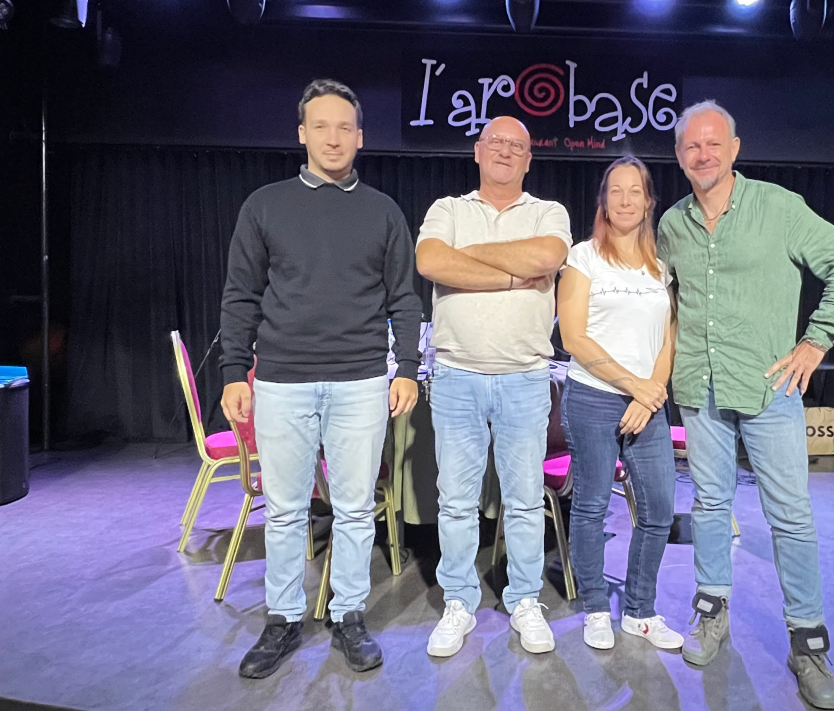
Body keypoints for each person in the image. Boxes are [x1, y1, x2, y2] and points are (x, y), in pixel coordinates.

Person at [656, 100, 834, 709]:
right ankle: (711, 613)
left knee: (791, 517)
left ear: (734, 148)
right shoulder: (672, 224)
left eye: (713, 143)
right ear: (679, 156)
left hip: (769, 388)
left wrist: (816, 340)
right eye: (691, 145)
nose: (703, 154)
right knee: (709, 505)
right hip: (700, 388)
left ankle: (808, 645)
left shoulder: (778, 207)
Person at [218, 78, 421, 679]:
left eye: (345, 127)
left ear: (360, 137)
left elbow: (404, 298)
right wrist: (234, 371)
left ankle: (348, 614)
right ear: (302, 134)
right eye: (321, 126)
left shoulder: (383, 211)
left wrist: (407, 367)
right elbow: (240, 294)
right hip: (282, 381)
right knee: (285, 510)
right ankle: (282, 619)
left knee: (355, 510)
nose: (334, 138)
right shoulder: (264, 205)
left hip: (361, 381)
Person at [415, 116, 572, 657]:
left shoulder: (549, 212)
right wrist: (510, 274)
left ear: (528, 159)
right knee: (456, 501)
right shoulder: (448, 208)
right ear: (478, 151)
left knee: (525, 501)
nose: (505, 151)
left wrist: (467, 256)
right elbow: (431, 260)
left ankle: (524, 599)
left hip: (525, 377)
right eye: (496, 142)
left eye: (517, 146)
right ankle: (458, 601)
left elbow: (547, 257)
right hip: (456, 374)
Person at [556, 156, 681, 651]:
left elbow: (668, 341)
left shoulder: (662, 267)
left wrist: (650, 395)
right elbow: (573, 337)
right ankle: (594, 608)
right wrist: (633, 385)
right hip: (593, 397)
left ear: (649, 201)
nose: (625, 200)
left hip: (647, 404)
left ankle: (640, 611)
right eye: (616, 191)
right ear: (603, 202)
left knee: (659, 509)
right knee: (590, 506)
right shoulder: (583, 257)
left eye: (635, 192)